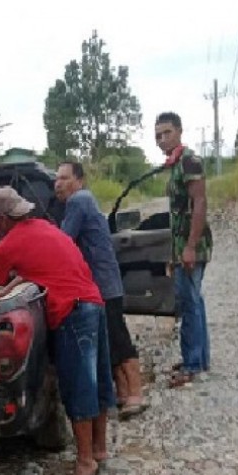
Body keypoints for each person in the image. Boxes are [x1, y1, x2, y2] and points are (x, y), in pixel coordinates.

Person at [0, 186, 115, 475]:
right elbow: (39, 266)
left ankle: (85, 461)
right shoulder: (45, 229)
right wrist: (8, 290)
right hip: (93, 304)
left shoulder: (7, 246)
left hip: (71, 311)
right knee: (96, 378)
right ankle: (98, 448)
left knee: (77, 385)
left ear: (3, 219)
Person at [54, 161, 148, 418]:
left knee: (118, 337)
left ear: (80, 180)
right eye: (56, 179)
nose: (58, 183)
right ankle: (122, 393)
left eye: (64, 178)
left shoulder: (78, 201)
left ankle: (136, 394)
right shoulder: (85, 200)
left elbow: (63, 242)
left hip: (103, 285)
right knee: (109, 340)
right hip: (102, 283)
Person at [154, 112, 213, 388]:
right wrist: (175, 252)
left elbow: (199, 203)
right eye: (158, 135)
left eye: (167, 133)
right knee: (194, 302)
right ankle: (199, 359)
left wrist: (190, 247)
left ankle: (191, 365)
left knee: (188, 304)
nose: (162, 139)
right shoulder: (175, 164)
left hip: (194, 245)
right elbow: (176, 215)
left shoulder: (189, 160)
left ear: (179, 131)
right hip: (182, 247)